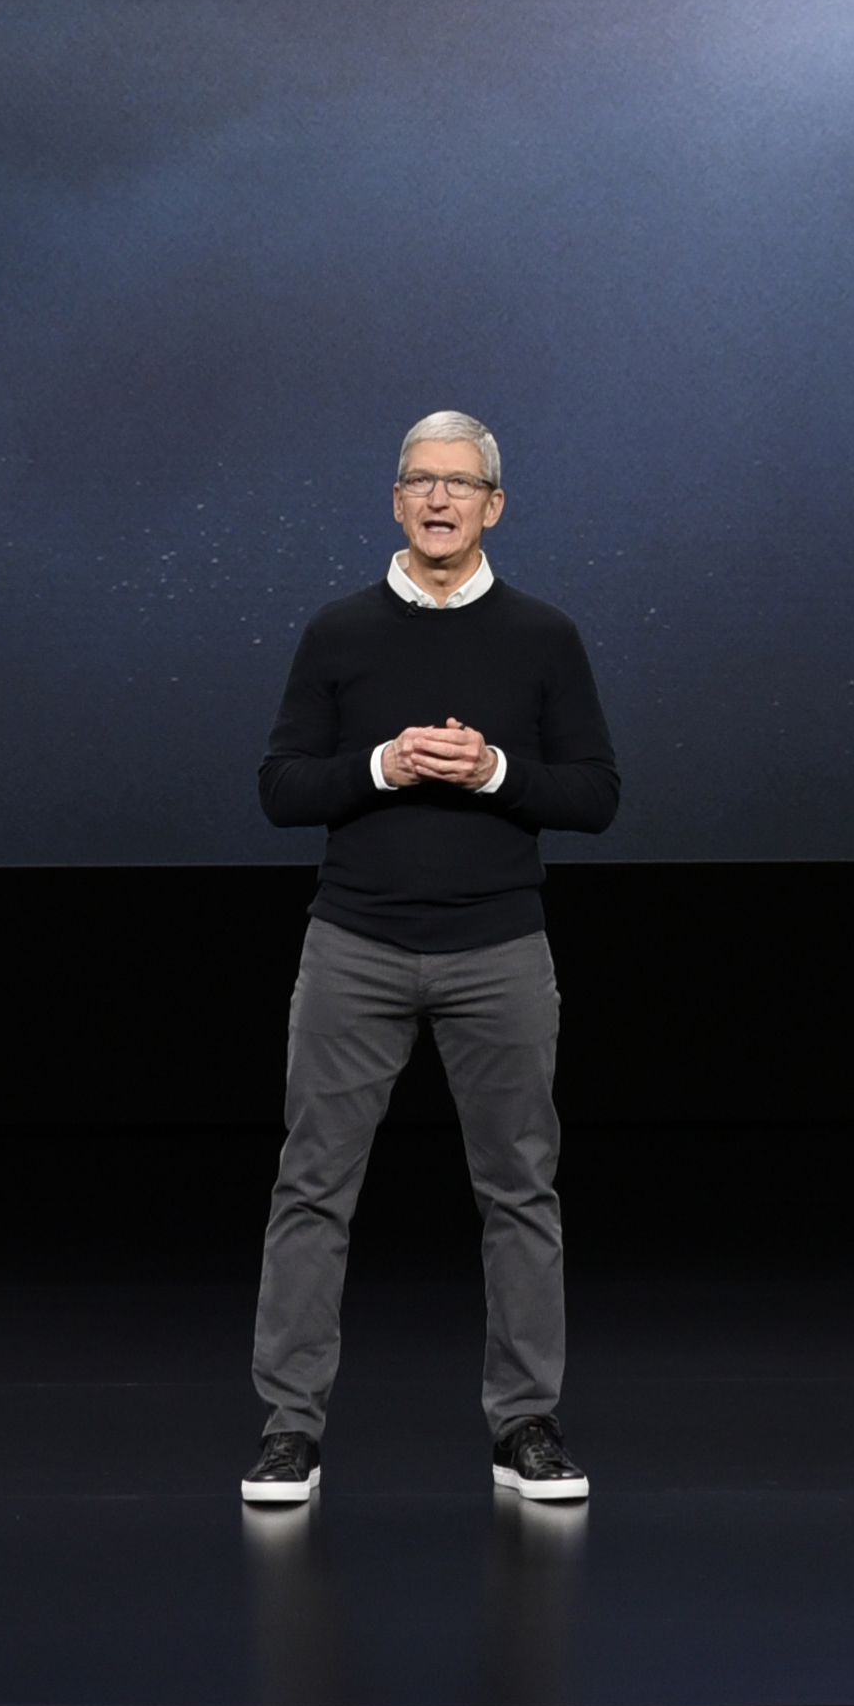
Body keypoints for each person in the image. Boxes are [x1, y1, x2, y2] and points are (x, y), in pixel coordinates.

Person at [240, 408, 618, 1510]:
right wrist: (384, 764)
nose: (439, 499)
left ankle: (527, 1426)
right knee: (312, 1188)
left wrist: (496, 769)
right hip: (353, 944)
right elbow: (280, 789)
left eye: (460, 483)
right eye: (419, 481)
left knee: (520, 1191)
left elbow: (596, 794)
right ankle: (289, 1429)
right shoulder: (338, 633)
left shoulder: (544, 636)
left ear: (494, 505)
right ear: (397, 500)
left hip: (498, 947)